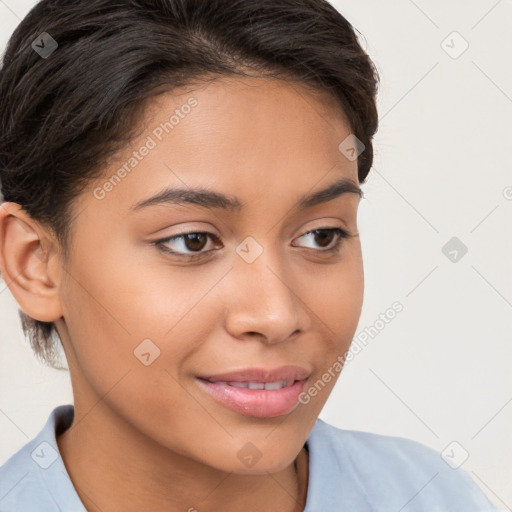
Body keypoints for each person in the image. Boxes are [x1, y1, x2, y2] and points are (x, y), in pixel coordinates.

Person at [0, 0, 501, 511]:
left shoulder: (429, 494)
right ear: (35, 264)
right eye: (192, 240)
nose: (276, 315)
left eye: (321, 236)